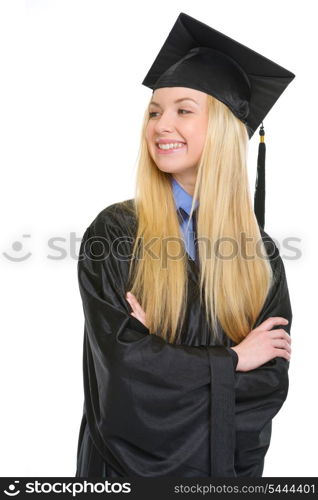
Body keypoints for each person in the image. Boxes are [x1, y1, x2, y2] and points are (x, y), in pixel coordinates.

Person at [75, 12, 294, 478]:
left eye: (183, 110)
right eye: (154, 111)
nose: (160, 125)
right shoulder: (115, 234)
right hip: (125, 472)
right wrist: (233, 359)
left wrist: (165, 355)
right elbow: (123, 372)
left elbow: (268, 383)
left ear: (223, 127)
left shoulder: (259, 253)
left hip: (224, 474)